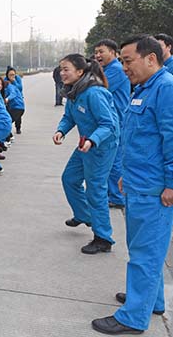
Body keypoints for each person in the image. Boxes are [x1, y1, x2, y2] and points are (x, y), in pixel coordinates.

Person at [92, 35, 173, 335]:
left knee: (144, 254)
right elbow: (139, 138)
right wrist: (126, 172)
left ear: (151, 58)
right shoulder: (145, 88)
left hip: (157, 190)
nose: (124, 68)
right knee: (148, 251)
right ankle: (152, 301)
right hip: (141, 183)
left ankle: (133, 317)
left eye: (128, 61)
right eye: (122, 61)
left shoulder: (168, 89)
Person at [53, 54, 118, 255]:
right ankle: (84, 215)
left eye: (66, 69)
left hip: (100, 147)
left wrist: (93, 140)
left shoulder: (94, 93)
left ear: (80, 72)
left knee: (95, 190)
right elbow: (69, 116)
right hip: (85, 144)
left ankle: (103, 238)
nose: (62, 73)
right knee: (69, 179)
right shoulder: (74, 91)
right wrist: (61, 130)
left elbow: (109, 124)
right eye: (61, 69)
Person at [94, 39, 130, 209]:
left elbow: (99, 88)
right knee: (110, 158)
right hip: (112, 119)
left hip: (117, 121)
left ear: (113, 53)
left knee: (114, 160)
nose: (98, 55)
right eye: (96, 52)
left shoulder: (115, 70)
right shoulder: (107, 69)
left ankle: (117, 196)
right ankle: (113, 193)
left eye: (102, 51)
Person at [4, 67, 26, 134]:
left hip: (17, 100)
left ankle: (17, 128)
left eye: (13, 74)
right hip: (9, 102)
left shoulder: (17, 78)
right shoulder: (5, 81)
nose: (12, 76)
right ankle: (7, 132)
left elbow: (20, 88)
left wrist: (14, 81)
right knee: (8, 116)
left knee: (17, 116)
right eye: (10, 75)